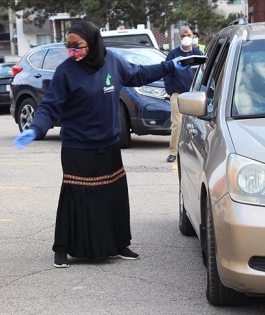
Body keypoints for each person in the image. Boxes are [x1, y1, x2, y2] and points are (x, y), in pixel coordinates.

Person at [13, 20, 190, 268]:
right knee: (77, 197)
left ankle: (118, 245)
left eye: (78, 45)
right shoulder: (66, 71)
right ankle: (63, 249)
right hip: (77, 146)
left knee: (111, 195)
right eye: (69, 45)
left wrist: (169, 65)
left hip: (108, 144)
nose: (72, 50)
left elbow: (138, 73)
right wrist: (36, 128)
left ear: (93, 43)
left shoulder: (112, 62)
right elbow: (50, 105)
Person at [163, 27, 204, 163]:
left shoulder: (198, 54)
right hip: (178, 95)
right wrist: (170, 92)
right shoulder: (173, 55)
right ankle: (173, 152)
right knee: (177, 124)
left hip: (195, 96)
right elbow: (167, 73)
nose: (186, 37)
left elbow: (203, 73)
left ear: (193, 36)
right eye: (183, 35)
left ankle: (197, 152)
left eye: (188, 35)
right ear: (179, 38)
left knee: (197, 125)